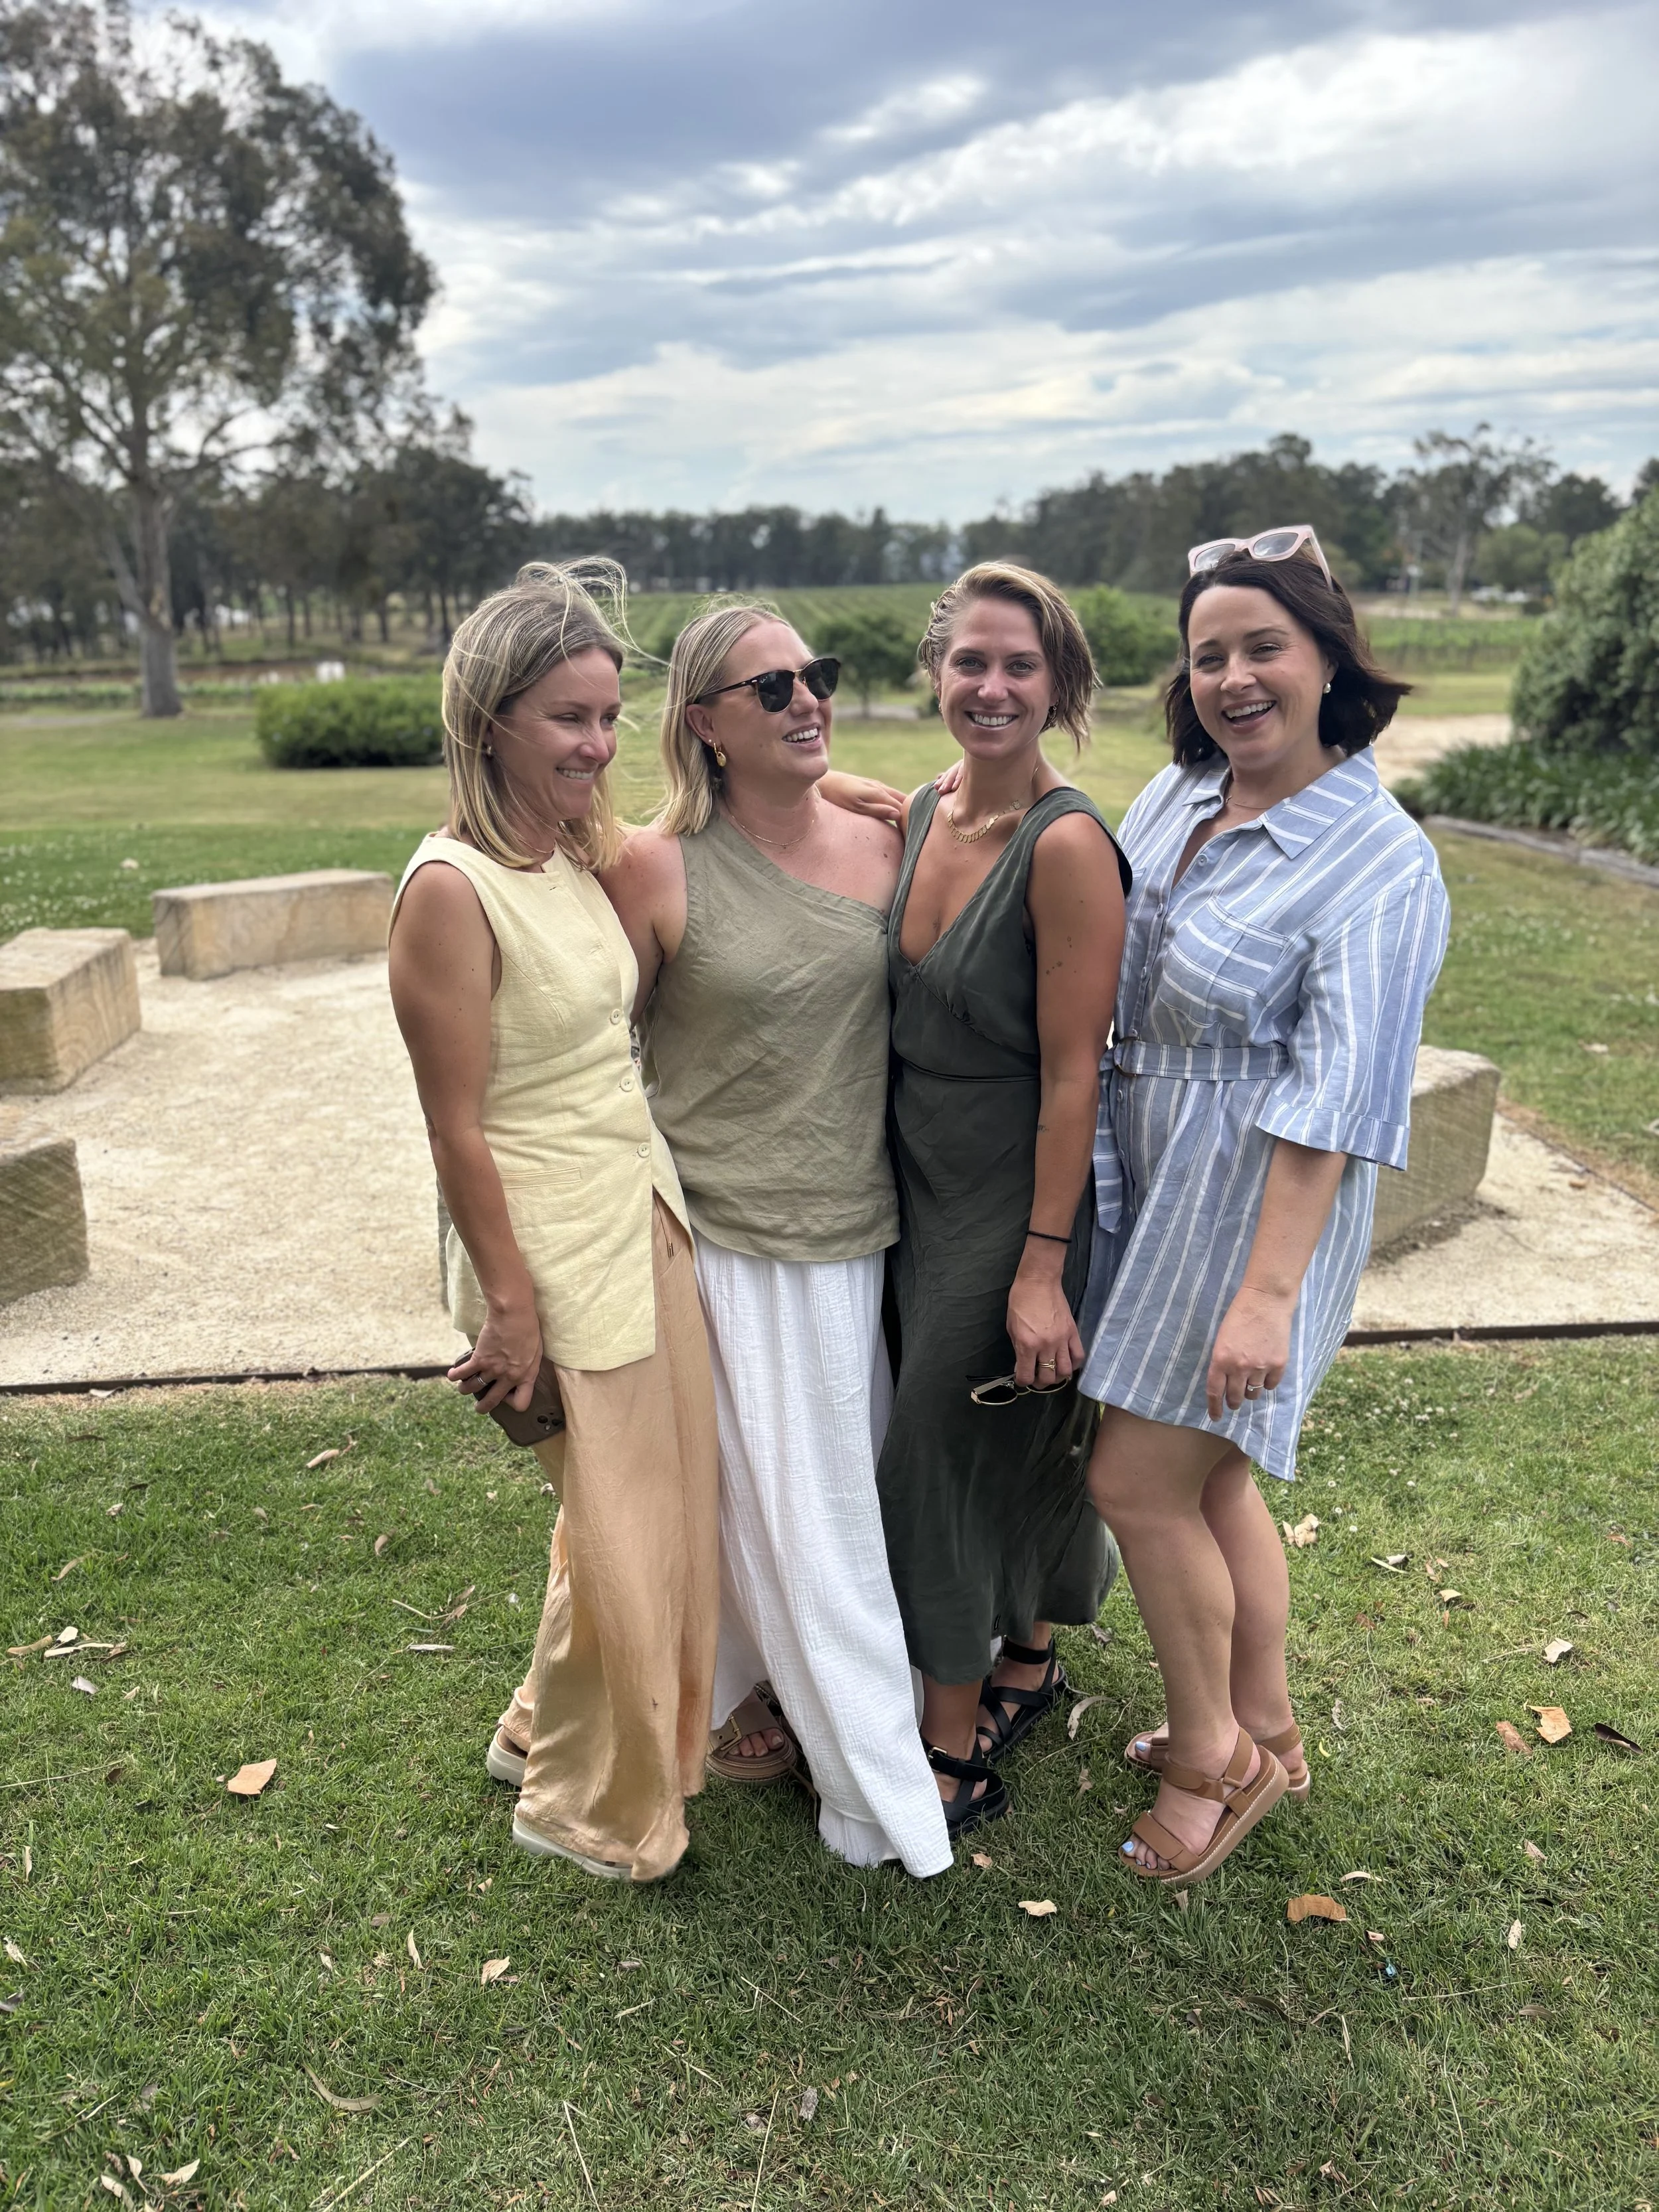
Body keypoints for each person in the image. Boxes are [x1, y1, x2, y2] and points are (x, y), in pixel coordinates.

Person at [1078, 526, 1451, 1884]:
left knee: (1135, 1478)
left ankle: (1209, 1761)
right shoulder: (1174, 799)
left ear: (1324, 660)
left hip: (1250, 1200)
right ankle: (1268, 1724)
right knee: (1213, 1472)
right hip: (1150, 1168)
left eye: (1261, 647)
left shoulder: (1376, 860)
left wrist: (1264, 1297)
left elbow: (1337, 1099)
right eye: (1207, 654)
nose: (1234, 678)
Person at [604, 601, 951, 1878]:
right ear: (702, 723)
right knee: (808, 1526)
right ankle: (879, 1792)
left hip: (861, 1230)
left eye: (817, 675)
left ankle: (726, 1701)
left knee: (811, 1498)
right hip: (729, 1242)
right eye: (769, 690)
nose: (807, 699)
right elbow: (600, 1055)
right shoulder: (650, 866)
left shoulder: (886, 830)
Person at [386, 560, 719, 1884]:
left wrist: (872, 798)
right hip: (542, 1258)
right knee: (629, 1533)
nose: (596, 743)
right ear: (490, 723)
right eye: (567, 719)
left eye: (606, 714)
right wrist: (509, 1305)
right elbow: (454, 1125)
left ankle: (535, 1730)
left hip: (634, 1212)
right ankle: (586, 1807)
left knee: (625, 1516)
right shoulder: (449, 891)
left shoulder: (573, 850)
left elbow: (710, 832)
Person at [878, 561, 1130, 1838]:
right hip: (910, 1176)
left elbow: (1077, 1074)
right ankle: (1025, 1654)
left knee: (935, 1439)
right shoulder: (922, 811)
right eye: (970, 662)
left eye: (1019, 667)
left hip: (1018, 1189)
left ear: (1059, 686)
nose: (991, 687)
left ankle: (948, 1724)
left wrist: (1043, 1264)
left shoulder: (1070, 846)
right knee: (996, 1421)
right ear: (938, 673)